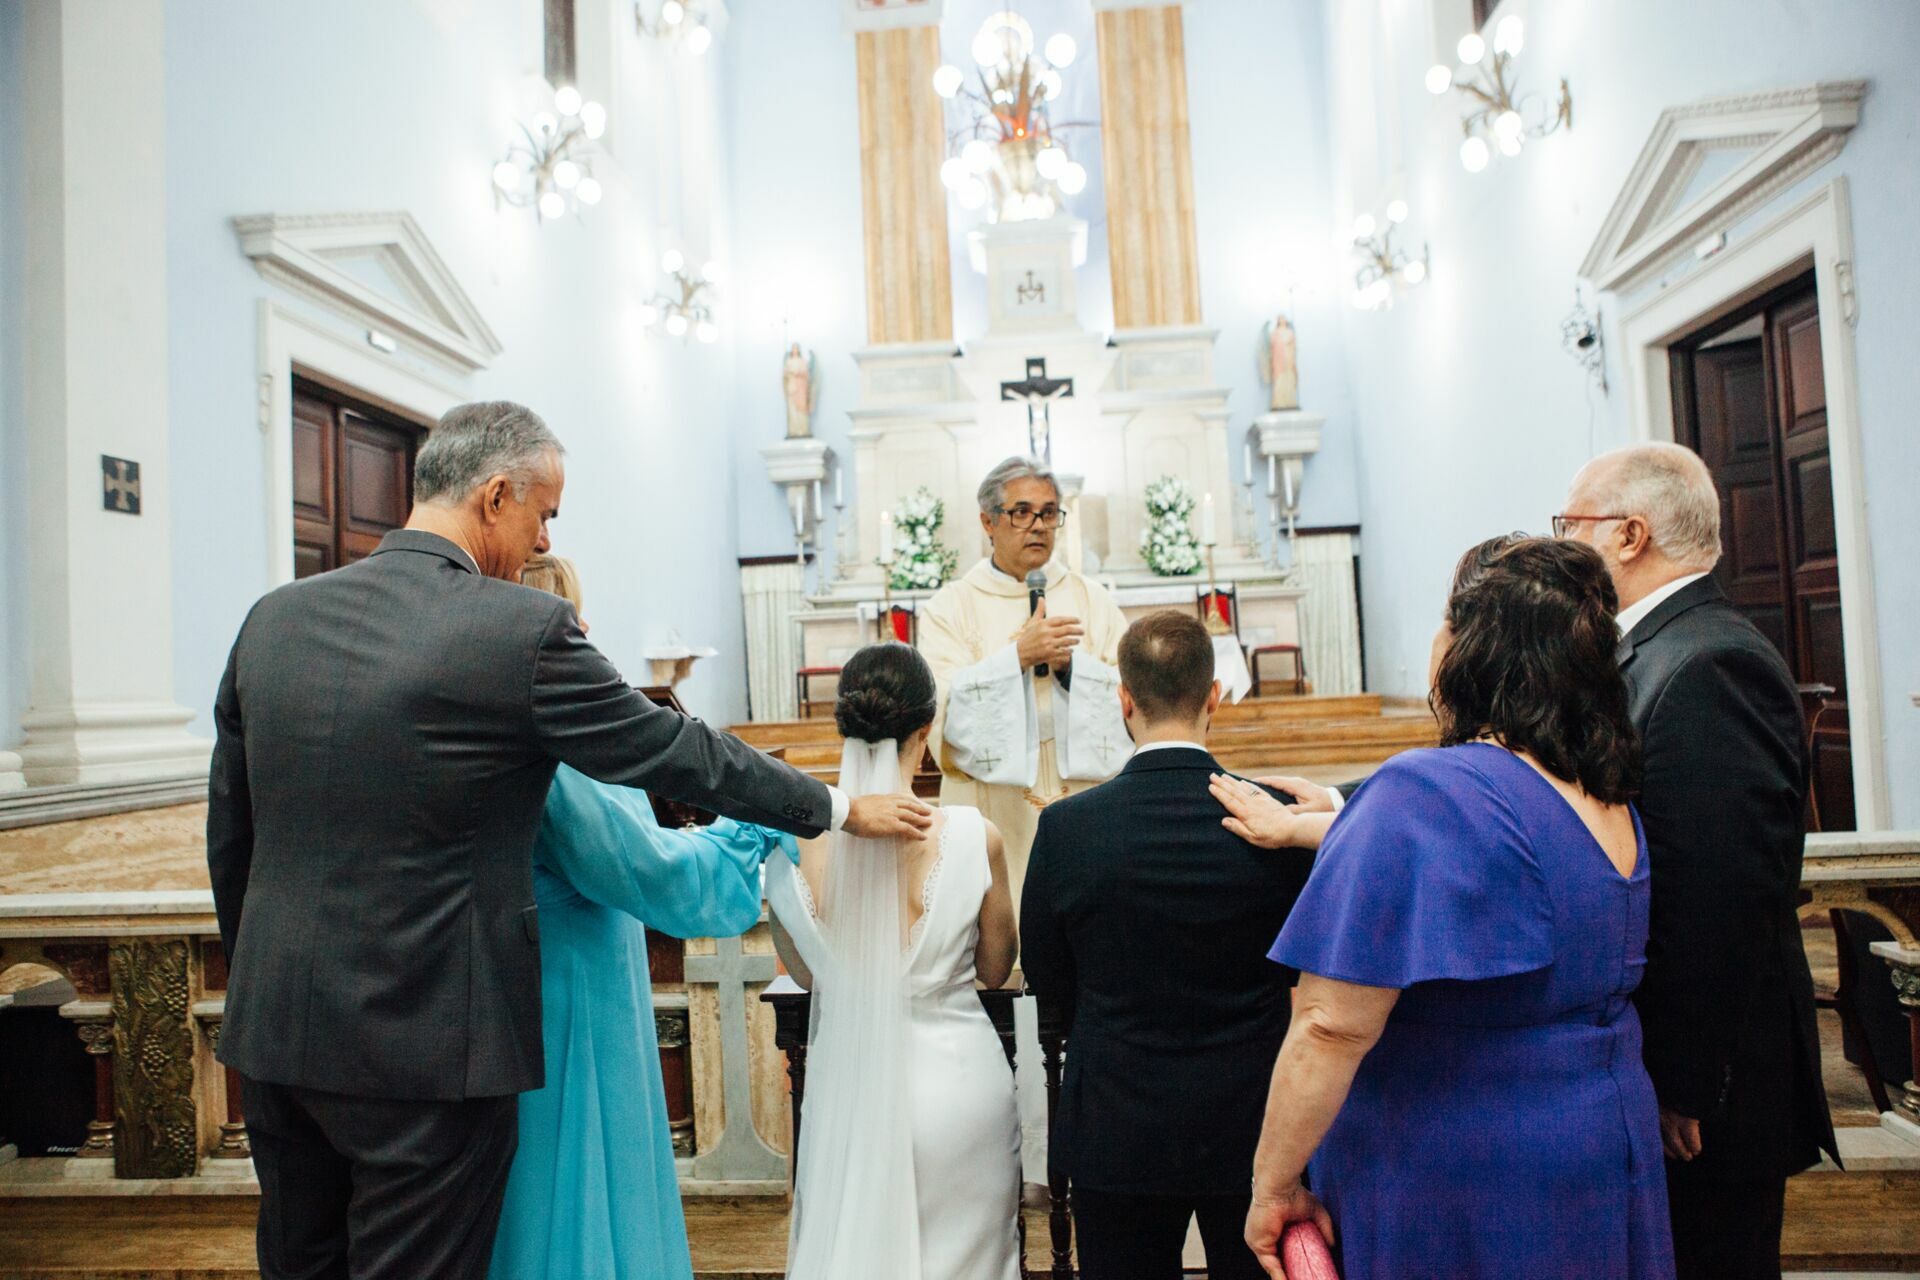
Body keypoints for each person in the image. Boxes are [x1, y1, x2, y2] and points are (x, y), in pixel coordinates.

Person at [206, 401, 931, 1280]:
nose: (542, 541)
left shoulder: (273, 619)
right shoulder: (513, 630)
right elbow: (677, 751)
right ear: (496, 494)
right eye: (543, 515)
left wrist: (262, 979)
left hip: (277, 1035)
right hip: (427, 1048)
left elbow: (233, 837)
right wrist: (835, 804)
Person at [1230, 536, 1674, 1280]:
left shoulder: (1424, 792)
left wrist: (1272, 1185)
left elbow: (1329, 1025)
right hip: (1600, 1137)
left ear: (1474, 648)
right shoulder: (1605, 793)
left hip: (1456, 1165)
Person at [1561, 442, 1836, 1279]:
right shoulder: (1656, 649)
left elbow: (1723, 892)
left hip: (1715, 1090)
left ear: (1630, 535)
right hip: (1688, 1076)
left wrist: (1681, 1079)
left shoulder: (1711, 660)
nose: (1567, 545)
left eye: (1571, 526)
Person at [489, 554, 796, 1279]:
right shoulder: (552, 755)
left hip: (568, 970)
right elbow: (642, 867)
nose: (586, 629)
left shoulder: (528, 730)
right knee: (577, 1170)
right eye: (568, 616)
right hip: (569, 993)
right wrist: (742, 833)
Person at [1020, 610, 1315, 1280]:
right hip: (1255, 1123)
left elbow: (1047, 979)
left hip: (1117, 1125)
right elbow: (1304, 971)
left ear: (1124, 700)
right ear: (1214, 697)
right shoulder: (1274, 820)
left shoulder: (1067, 829)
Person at [766, 642, 1021, 1280]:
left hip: (852, 1089)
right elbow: (995, 969)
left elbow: (804, 976)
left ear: (843, 726)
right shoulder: (973, 835)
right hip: (959, 1089)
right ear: (925, 730)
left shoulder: (799, 844)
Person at [917, 454, 1129, 1181]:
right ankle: (1003, 1154)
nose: (1039, 527)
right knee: (998, 982)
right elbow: (938, 714)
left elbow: (1133, 697)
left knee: (1081, 978)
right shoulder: (949, 609)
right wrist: (1015, 655)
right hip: (993, 819)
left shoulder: (1094, 600)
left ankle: (1079, 1145)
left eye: (1049, 513)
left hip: (1076, 807)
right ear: (987, 521)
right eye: (1022, 513)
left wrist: (1071, 670)